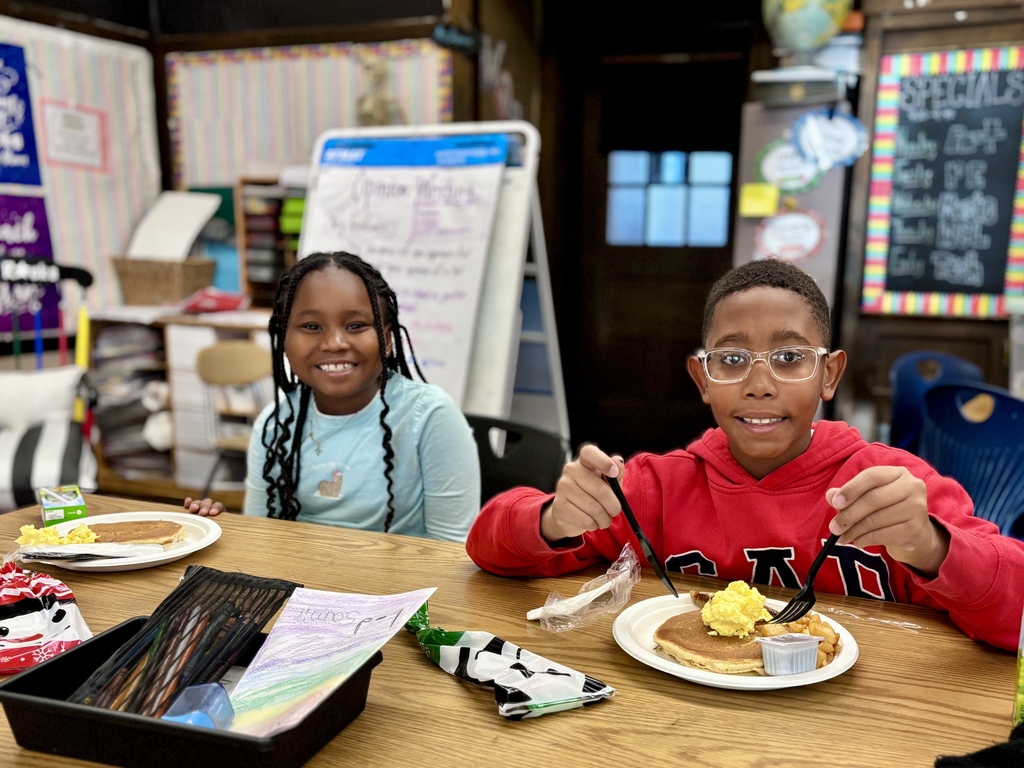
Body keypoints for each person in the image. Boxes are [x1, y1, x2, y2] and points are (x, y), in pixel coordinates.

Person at [465, 258, 1024, 650]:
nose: (759, 384)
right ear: (702, 379)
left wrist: (928, 544)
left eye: (788, 357)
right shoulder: (656, 488)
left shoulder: (888, 486)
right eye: (731, 361)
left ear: (829, 374)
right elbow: (488, 547)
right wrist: (551, 519)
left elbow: (1014, 611)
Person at [185, 251, 480, 543]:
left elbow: (452, 554)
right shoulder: (275, 426)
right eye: (312, 327)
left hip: (401, 587)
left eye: (355, 326)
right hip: (301, 585)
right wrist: (226, 533)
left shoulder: (429, 416)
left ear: (387, 339)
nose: (334, 343)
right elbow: (263, 541)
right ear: (283, 341)